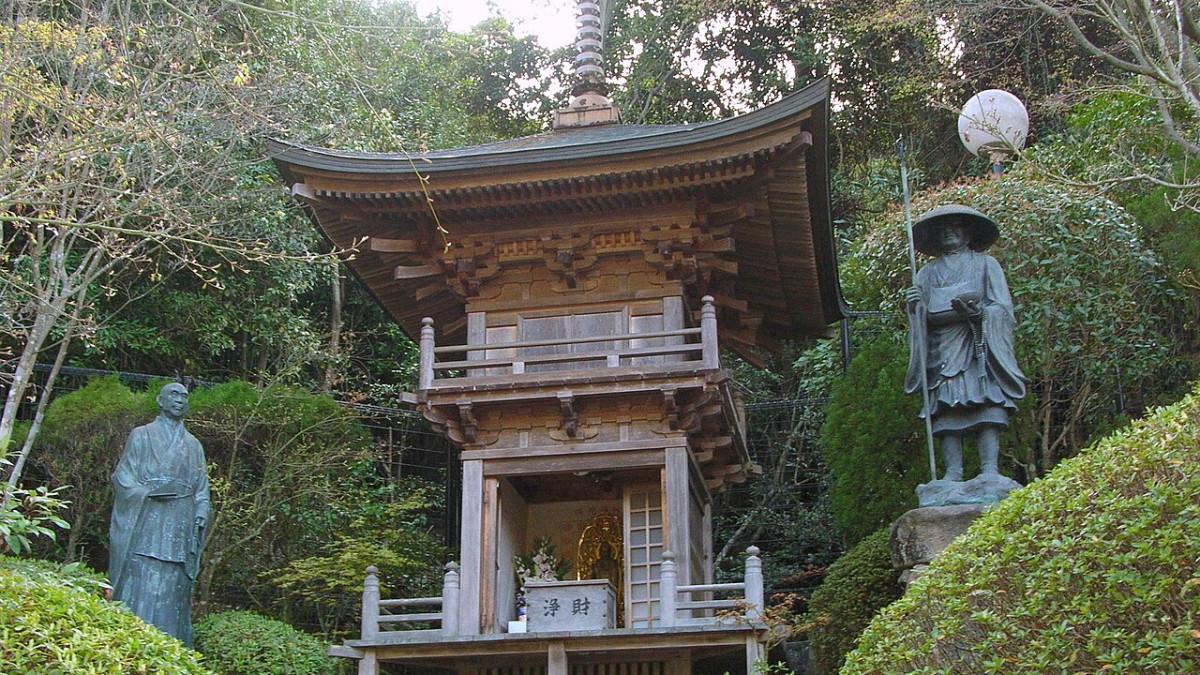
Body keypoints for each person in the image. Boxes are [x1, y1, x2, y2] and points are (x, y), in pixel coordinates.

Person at [904, 205, 1027, 489]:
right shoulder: (927, 273)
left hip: (977, 344)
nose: (949, 233)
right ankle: (953, 474)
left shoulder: (986, 265)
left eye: (956, 227)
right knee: (946, 407)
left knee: (987, 401)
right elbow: (921, 313)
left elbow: (1002, 308)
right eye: (943, 230)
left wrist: (980, 314)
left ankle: (989, 469)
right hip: (943, 349)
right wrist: (916, 308)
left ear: (968, 232)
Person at [109, 382, 210, 646]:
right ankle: (133, 647)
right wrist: (149, 492)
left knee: (173, 589)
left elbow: (202, 489)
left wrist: (201, 512)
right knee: (141, 580)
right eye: (173, 395)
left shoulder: (194, 445)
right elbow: (123, 478)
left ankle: (171, 651)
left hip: (180, 526)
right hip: (145, 525)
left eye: (184, 396)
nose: (179, 400)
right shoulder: (141, 435)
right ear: (160, 400)